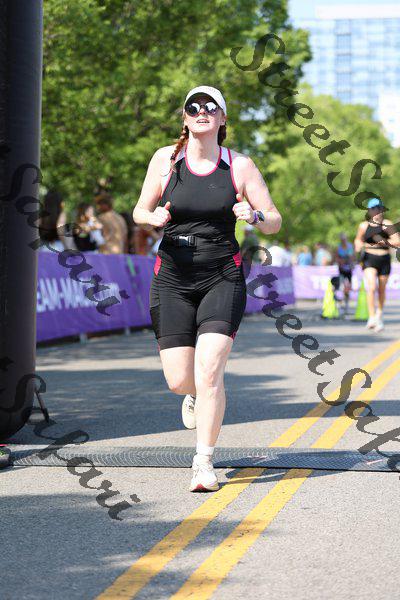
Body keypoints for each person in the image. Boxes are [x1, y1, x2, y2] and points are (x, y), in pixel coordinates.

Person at [133, 85, 281, 492]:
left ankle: (203, 462)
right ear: (185, 117)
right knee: (180, 380)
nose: (202, 112)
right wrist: (152, 217)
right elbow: (139, 209)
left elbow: (274, 220)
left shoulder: (239, 165)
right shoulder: (166, 160)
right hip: (172, 278)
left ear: (222, 118)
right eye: (193, 107)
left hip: (222, 276)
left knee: (211, 370)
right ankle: (193, 394)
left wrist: (253, 215)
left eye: (210, 107)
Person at [354, 198, 400, 331]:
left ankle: (379, 314)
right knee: (372, 287)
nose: (377, 211)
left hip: (384, 259)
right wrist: (358, 245)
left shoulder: (387, 224)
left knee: (381, 289)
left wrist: (383, 242)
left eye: (379, 208)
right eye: (373, 208)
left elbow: (397, 241)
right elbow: (358, 240)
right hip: (369, 258)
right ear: (369, 211)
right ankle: (372, 316)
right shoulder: (364, 226)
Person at [335, 233, 354, 314]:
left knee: (348, 287)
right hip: (341, 270)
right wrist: (340, 262)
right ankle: (340, 305)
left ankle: (346, 305)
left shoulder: (350, 246)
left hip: (349, 270)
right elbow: (336, 257)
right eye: (342, 239)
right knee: (341, 287)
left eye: (344, 239)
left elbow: (352, 257)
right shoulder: (338, 247)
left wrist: (350, 263)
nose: (343, 241)